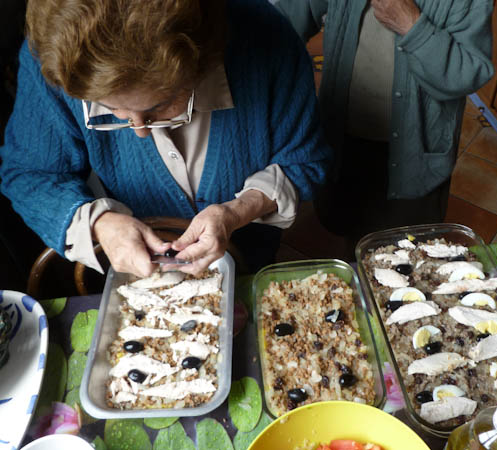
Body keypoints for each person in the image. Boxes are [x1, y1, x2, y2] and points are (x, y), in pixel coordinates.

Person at [0, 0, 331, 278]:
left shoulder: (266, 38)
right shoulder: (52, 60)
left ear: (202, 62)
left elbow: (303, 162)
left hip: (250, 268)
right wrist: (100, 223)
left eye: (158, 106)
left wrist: (235, 213)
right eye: (112, 110)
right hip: (141, 284)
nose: (140, 131)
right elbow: (30, 175)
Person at [275, 0, 494, 256]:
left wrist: (412, 25)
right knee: (352, 236)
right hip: (344, 140)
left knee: (407, 253)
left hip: (416, 154)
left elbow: (468, 73)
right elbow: (281, 20)